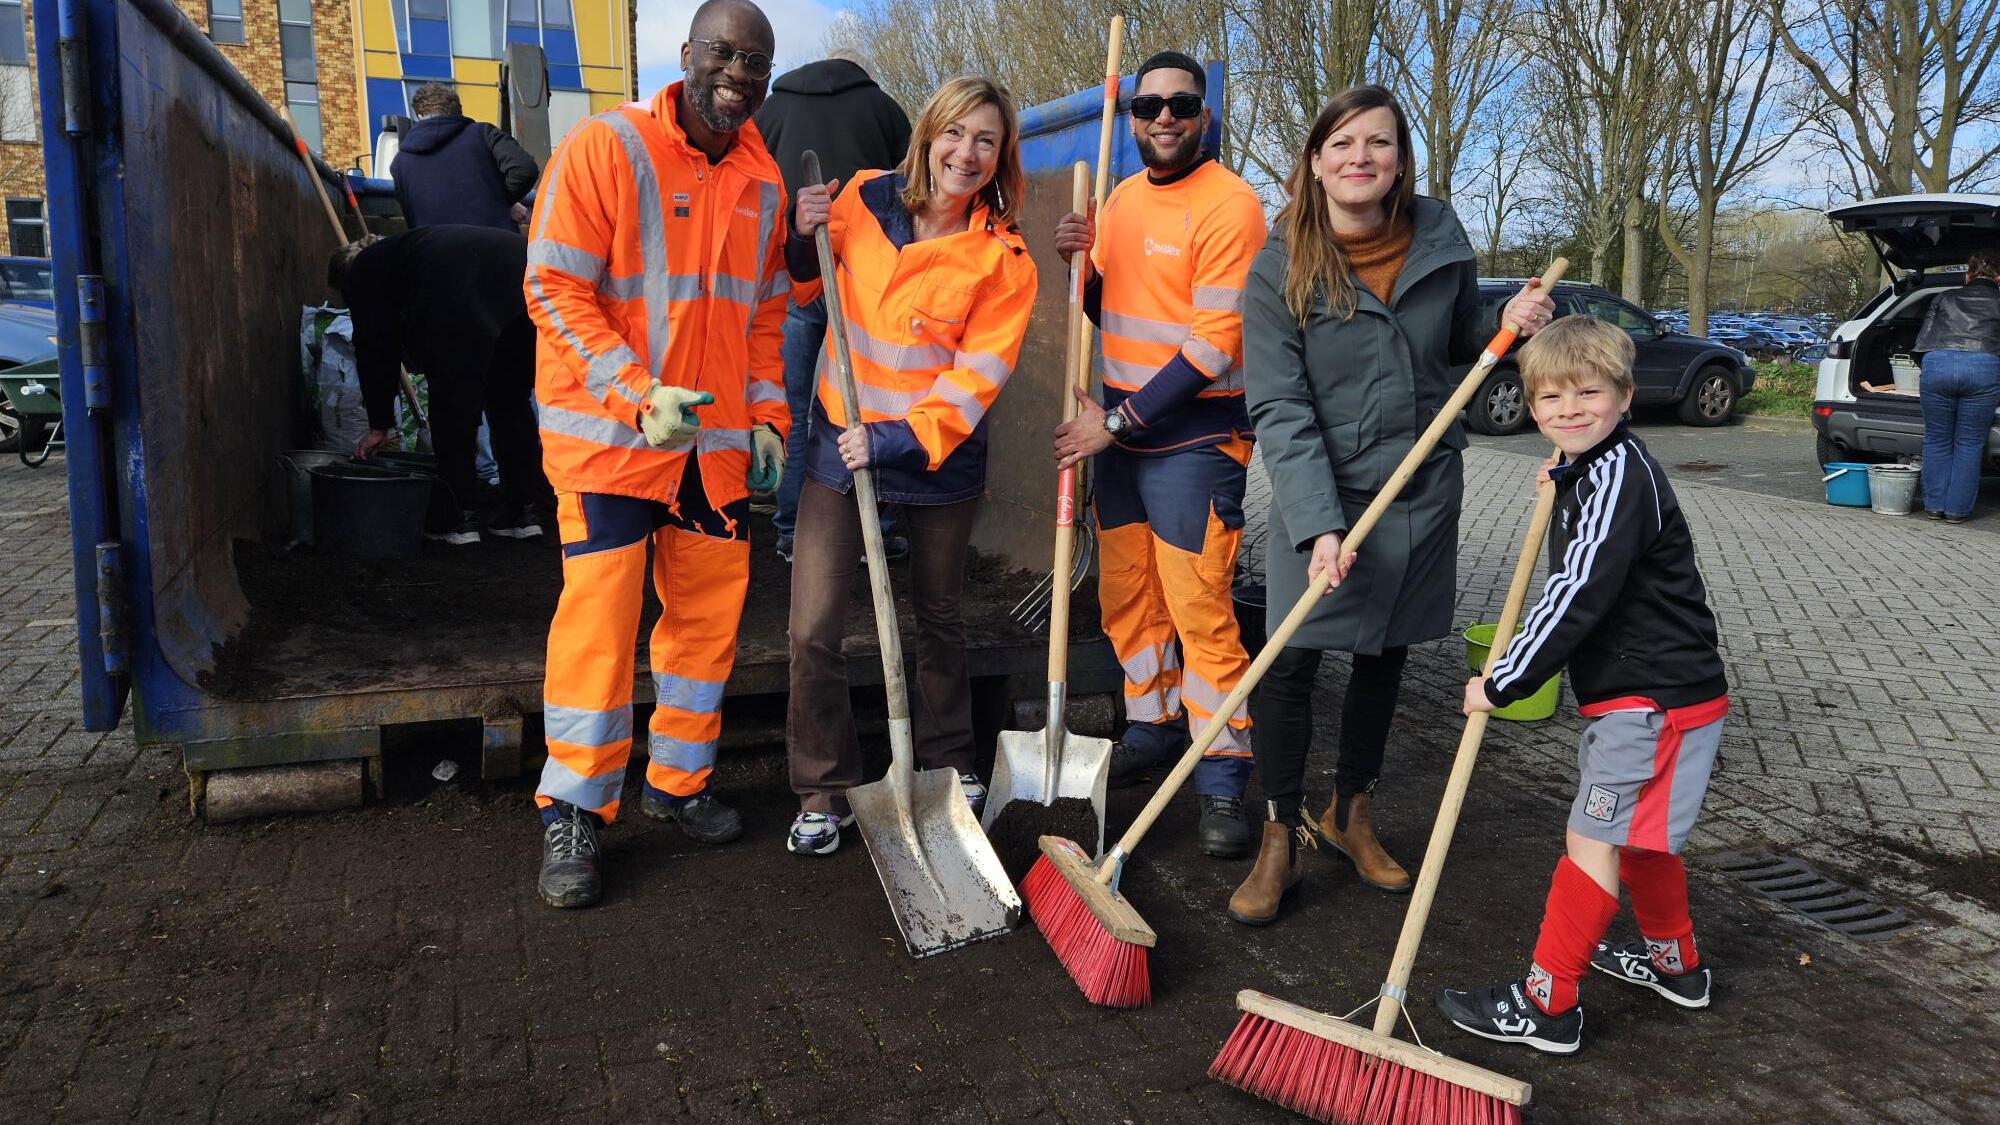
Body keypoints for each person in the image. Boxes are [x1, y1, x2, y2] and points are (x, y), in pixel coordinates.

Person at [1231, 85, 1553, 925]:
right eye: (1341, 144)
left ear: (1400, 160)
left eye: (1377, 143)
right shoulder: (1277, 268)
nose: (1359, 158)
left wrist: (1508, 325)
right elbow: (1278, 407)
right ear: (1315, 162)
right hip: (1324, 493)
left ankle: (1352, 812)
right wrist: (1320, 524)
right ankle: (1279, 832)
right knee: (1290, 657)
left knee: (1384, 653)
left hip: (1418, 486)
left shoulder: (1441, 240)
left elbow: (1458, 353)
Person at [524, 0, 790, 908]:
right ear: (685, 55)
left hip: (710, 455)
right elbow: (553, 287)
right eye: (722, 53)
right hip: (611, 447)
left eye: (754, 61)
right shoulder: (608, 147)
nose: (737, 73)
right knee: (599, 626)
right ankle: (575, 808)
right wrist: (637, 394)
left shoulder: (763, 180)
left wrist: (768, 419)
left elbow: (762, 316)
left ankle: (678, 781)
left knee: (706, 625)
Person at [1439, 315, 1730, 1054]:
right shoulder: (1602, 466)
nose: (1569, 409)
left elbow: (1574, 594)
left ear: (1626, 397)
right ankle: (1677, 966)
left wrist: (1499, 681)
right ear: (1532, 406)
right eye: (1550, 398)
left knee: (1592, 835)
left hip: (1650, 699)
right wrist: (1564, 471)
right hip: (1669, 691)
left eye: (1588, 393)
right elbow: (1589, 517)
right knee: (1641, 839)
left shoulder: (1616, 479)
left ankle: (1547, 1002)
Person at [781, 76, 1036, 856]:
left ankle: (948, 762)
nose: (967, 152)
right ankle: (823, 788)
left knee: (939, 615)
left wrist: (892, 440)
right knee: (813, 625)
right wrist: (801, 230)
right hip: (837, 437)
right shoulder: (859, 198)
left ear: (1001, 157)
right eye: (955, 133)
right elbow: (800, 282)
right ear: (927, 134)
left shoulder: (1003, 258)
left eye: (985, 140)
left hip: (936, 455)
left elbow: (973, 383)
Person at [1049, 51, 1266, 859]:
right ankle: (1153, 722)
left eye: (1181, 105)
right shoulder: (1119, 200)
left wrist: (1122, 419)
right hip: (1124, 439)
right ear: (1132, 117)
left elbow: (1214, 345)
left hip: (1195, 438)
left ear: (1203, 116)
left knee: (1200, 607)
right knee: (1128, 596)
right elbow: (1110, 305)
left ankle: (1221, 774)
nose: (1164, 118)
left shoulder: (1232, 206)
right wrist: (1083, 259)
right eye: (1149, 108)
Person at [753, 52, 913, 562]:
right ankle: (878, 530)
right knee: (873, 403)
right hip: (867, 280)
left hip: (796, 271)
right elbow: (913, 189)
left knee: (796, 406)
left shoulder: (770, 113)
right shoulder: (885, 110)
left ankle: (790, 527)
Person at [330, 226, 553, 542]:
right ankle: (521, 512)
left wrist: (379, 424)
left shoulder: (365, 272)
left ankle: (458, 516)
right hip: (529, 279)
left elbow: (375, 346)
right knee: (510, 399)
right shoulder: (411, 249)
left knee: (452, 401)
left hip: (464, 288)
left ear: (345, 280)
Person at [1912, 249, 2000, 523]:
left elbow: (1921, 341)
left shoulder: (1944, 297)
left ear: (1967, 275)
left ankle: (1934, 507)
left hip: (1937, 365)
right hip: (1984, 369)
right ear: (1999, 277)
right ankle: (1957, 512)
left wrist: (1929, 368)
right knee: (1969, 444)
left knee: (1937, 440)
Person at [391, 82, 539, 231]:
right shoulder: (483, 134)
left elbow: (411, 218)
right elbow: (525, 169)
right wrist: (499, 201)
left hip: (434, 248)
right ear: (459, 111)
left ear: (419, 116)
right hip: (494, 244)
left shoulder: (400, 162)